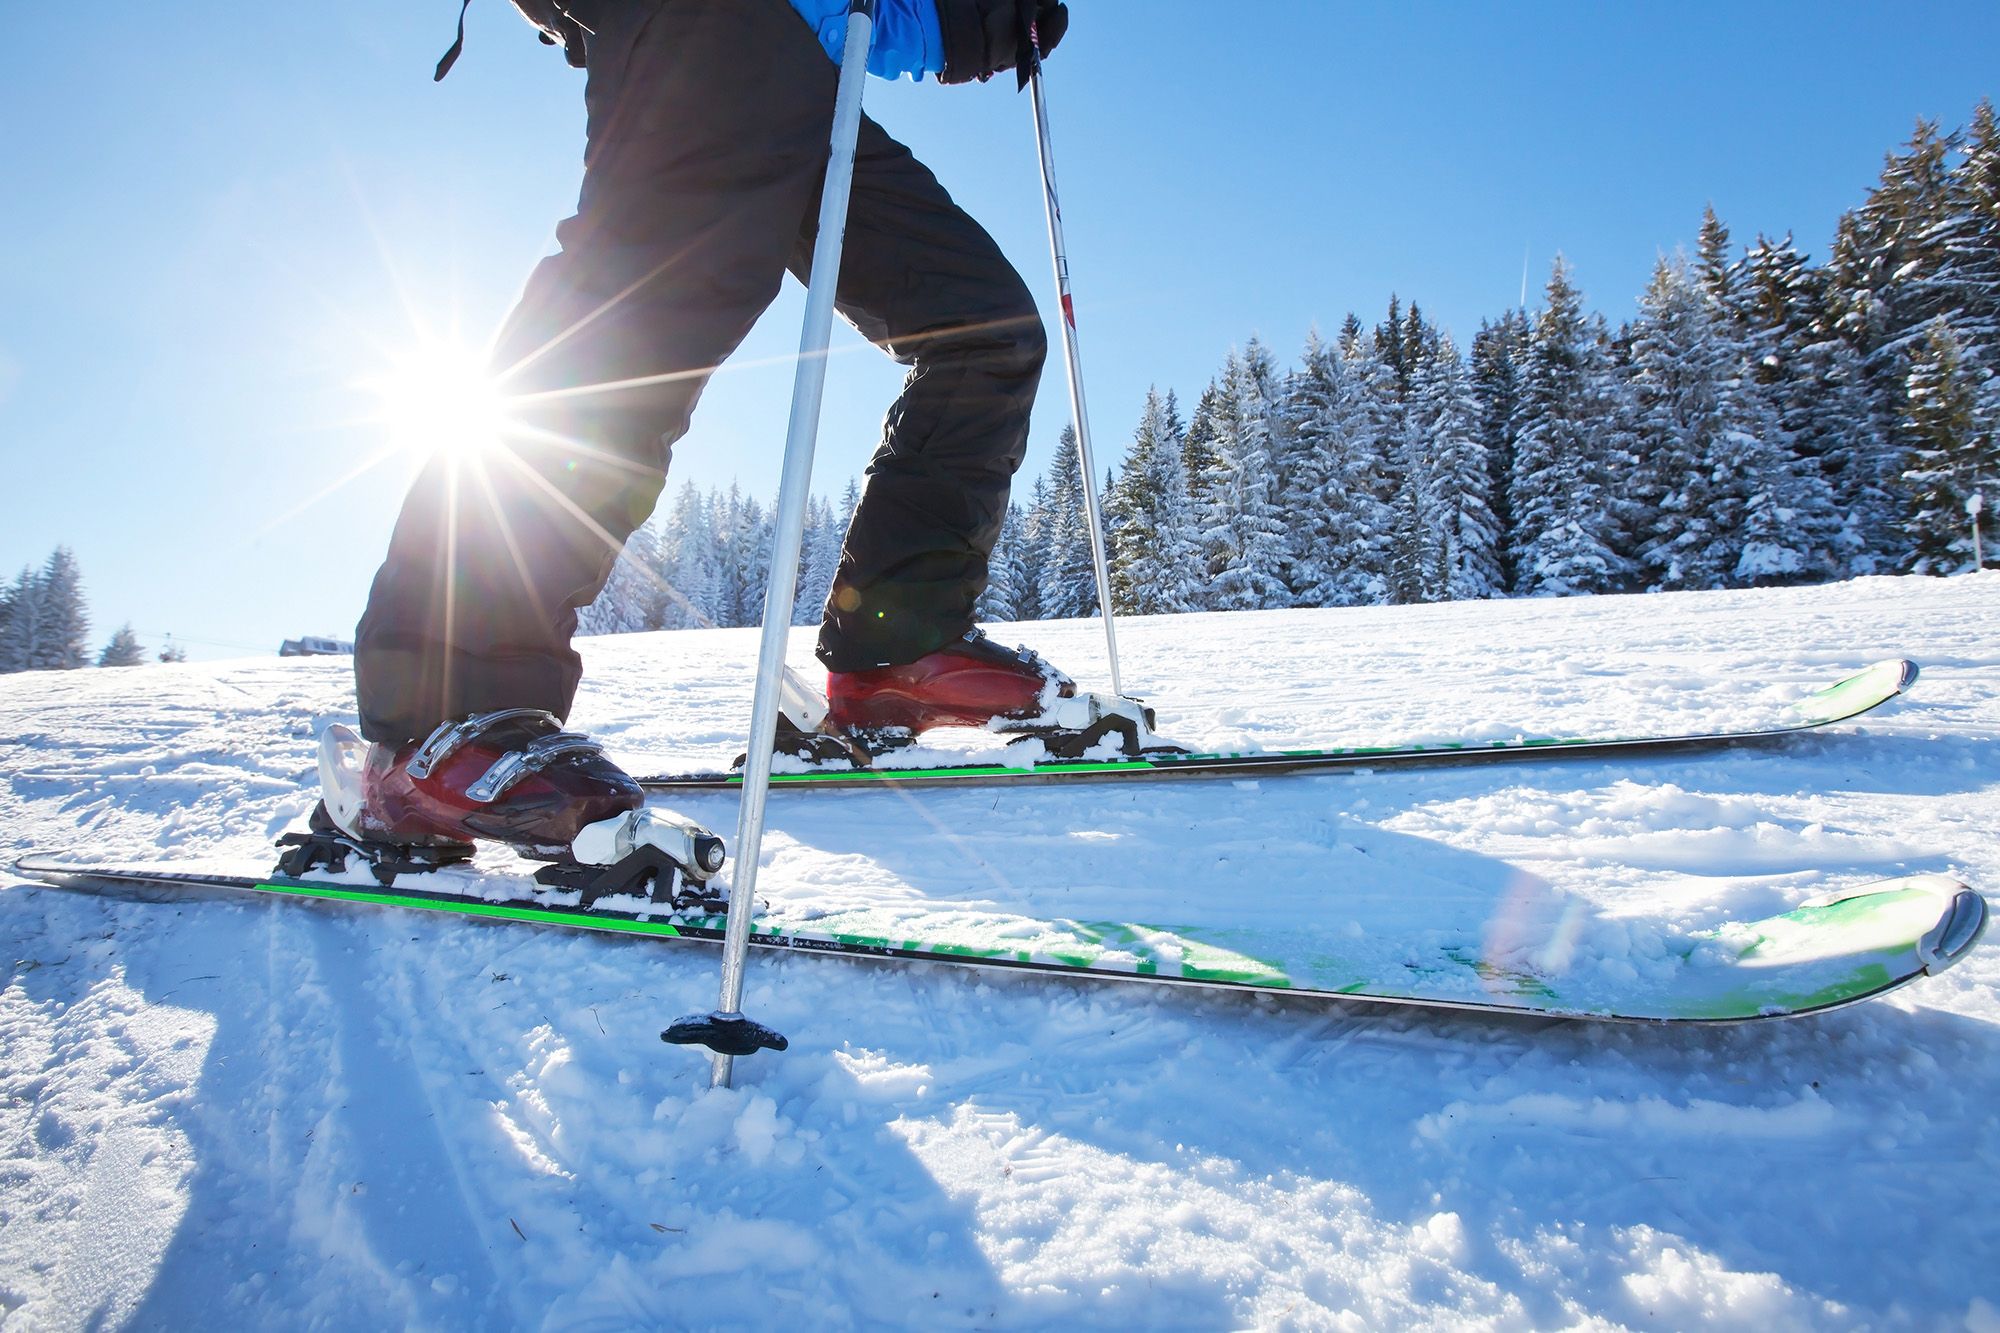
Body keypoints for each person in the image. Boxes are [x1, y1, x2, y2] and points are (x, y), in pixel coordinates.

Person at [332, 0, 1075, 859]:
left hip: (809, 63)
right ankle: (439, 723)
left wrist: (972, 20)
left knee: (983, 331)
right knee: (635, 323)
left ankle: (894, 650)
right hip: (703, 26)